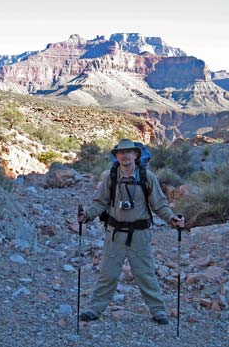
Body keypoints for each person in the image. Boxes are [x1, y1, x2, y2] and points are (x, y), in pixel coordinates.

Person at [77, 138, 185, 325]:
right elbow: (100, 202)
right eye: (121, 152)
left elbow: (159, 205)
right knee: (107, 274)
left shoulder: (146, 177)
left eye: (129, 152)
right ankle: (95, 310)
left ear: (136, 155)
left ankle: (158, 311)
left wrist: (172, 219)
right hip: (115, 233)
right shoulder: (111, 177)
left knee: (145, 273)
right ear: (117, 156)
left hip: (140, 235)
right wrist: (86, 216)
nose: (125, 156)